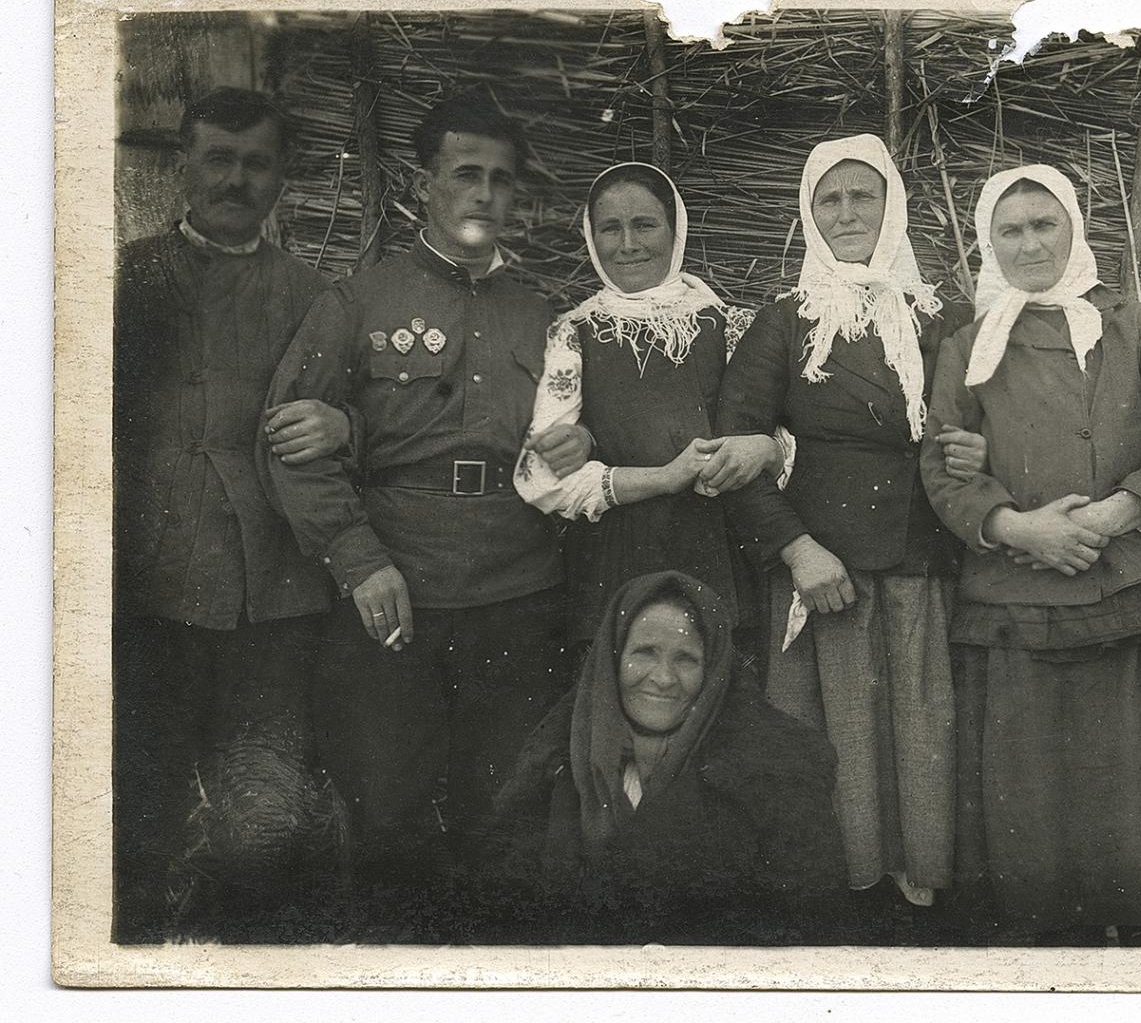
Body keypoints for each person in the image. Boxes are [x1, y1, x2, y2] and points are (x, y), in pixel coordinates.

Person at [920, 163, 1141, 945]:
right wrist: (1021, 529)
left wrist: (1110, 516)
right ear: (989, 243)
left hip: (1139, 603)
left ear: (1075, 230)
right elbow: (941, 468)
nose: (1029, 243)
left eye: (1043, 224)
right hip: (1021, 604)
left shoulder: (1138, 328)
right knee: (1043, 851)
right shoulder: (967, 347)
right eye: (1009, 230)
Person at [261, 92, 572, 928]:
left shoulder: (545, 317)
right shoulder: (357, 303)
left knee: (503, 813)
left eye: (501, 182)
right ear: (421, 183)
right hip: (392, 593)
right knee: (388, 813)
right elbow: (289, 443)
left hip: (517, 591)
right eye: (465, 174)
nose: (484, 196)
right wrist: (356, 558)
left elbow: (573, 440)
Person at [716, 134, 985, 913]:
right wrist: (798, 550)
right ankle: (838, 911)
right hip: (826, 573)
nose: (846, 213)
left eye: (862, 196)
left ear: (893, 206)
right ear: (809, 214)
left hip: (921, 569)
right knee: (836, 755)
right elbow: (737, 458)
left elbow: (978, 426)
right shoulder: (786, 319)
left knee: (922, 738)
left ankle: (920, 913)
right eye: (827, 200)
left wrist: (975, 448)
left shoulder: (943, 316)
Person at [112, 87, 350, 940]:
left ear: (283, 177)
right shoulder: (124, 282)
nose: (236, 179)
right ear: (183, 164)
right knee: (134, 806)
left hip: (269, 603)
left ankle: (253, 970)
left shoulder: (313, 296)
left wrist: (344, 422)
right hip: (145, 592)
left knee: (262, 816)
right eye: (218, 157)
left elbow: (373, 432)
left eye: (256, 163)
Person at [469, 570, 847, 945]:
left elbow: (806, 921)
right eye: (645, 653)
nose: (663, 678)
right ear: (612, 658)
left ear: (714, 669)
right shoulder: (552, 759)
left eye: (686, 659)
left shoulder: (776, 772)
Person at [514, 161, 782, 646]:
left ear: (675, 229)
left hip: (725, 558)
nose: (628, 244)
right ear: (591, 239)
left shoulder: (734, 328)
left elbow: (786, 443)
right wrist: (664, 477)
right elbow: (539, 477)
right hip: (616, 565)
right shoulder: (573, 333)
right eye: (610, 229)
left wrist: (766, 449)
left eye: (644, 225)